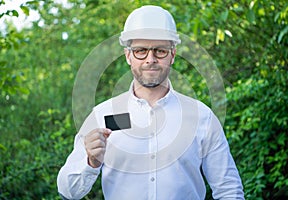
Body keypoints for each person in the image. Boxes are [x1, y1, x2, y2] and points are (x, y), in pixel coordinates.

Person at [57, 5, 244, 200]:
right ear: (128, 56)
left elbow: (229, 190)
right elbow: (68, 192)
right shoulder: (103, 115)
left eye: (160, 51)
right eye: (140, 51)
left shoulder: (201, 117)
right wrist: (91, 162)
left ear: (172, 54)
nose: (150, 59)